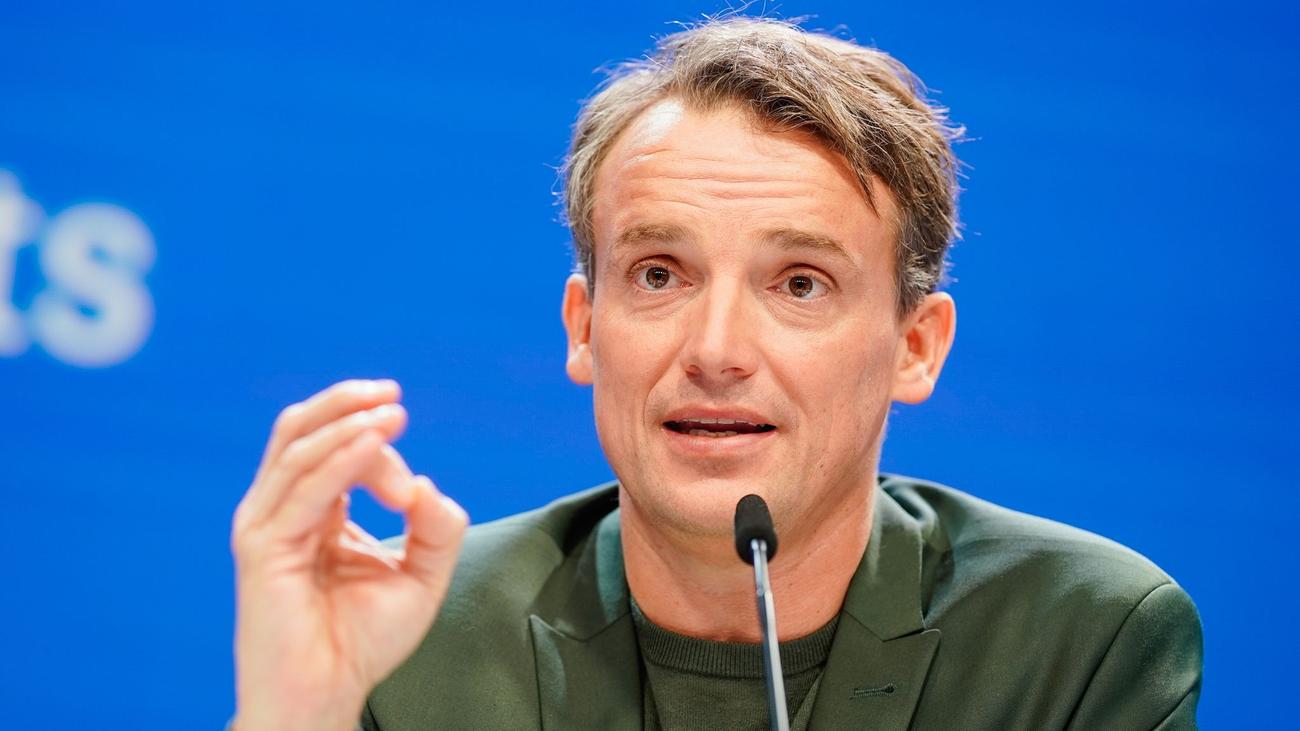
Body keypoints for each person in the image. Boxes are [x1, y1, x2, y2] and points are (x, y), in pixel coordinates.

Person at [230, 17, 1203, 731]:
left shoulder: (1075, 640)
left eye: (800, 282)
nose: (715, 346)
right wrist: (291, 715)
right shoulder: (412, 637)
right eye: (660, 274)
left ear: (916, 345)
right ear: (585, 326)